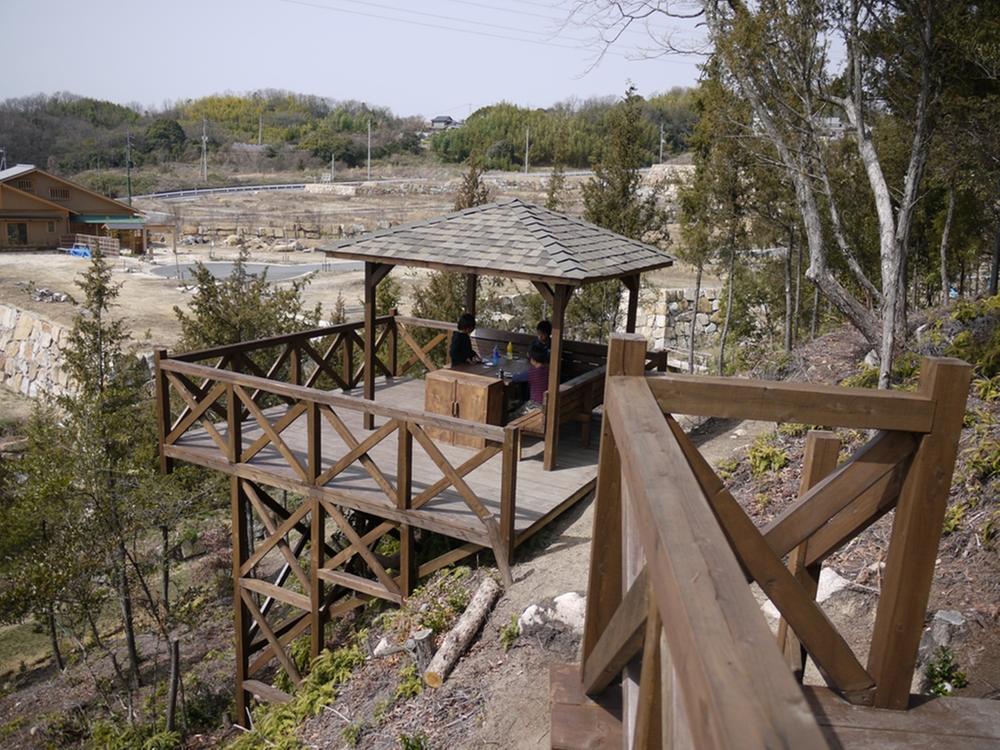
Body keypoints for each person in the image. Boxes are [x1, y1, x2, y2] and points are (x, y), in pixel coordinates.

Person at [511, 340, 550, 416]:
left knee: (512, 417)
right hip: (548, 404)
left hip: (537, 405)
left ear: (532, 359)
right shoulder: (548, 369)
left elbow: (515, 378)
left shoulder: (532, 372)